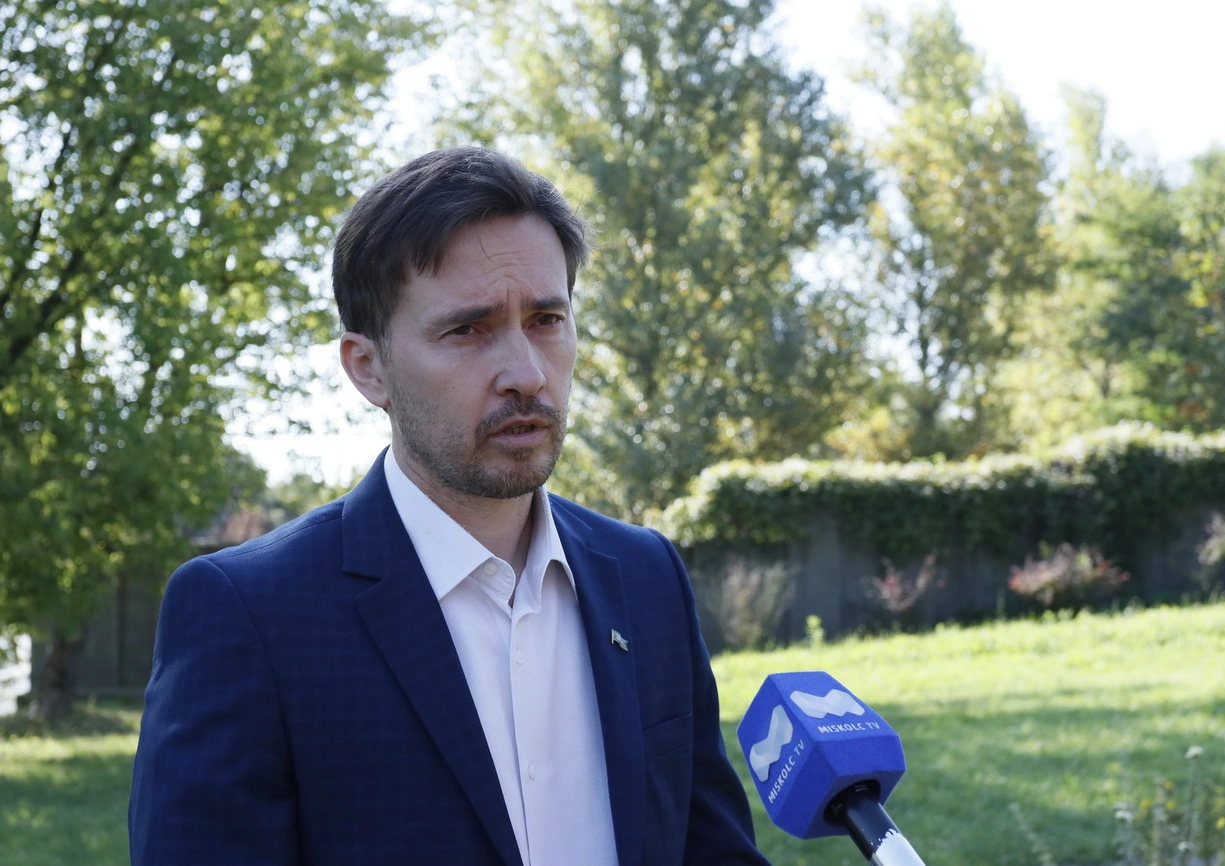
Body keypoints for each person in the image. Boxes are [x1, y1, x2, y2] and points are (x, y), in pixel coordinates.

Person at [128, 147, 770, 866]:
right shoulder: (253, 615)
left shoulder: (646, 576)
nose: (526, 374)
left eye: (546, 319)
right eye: (468, 329)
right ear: (368, 367)